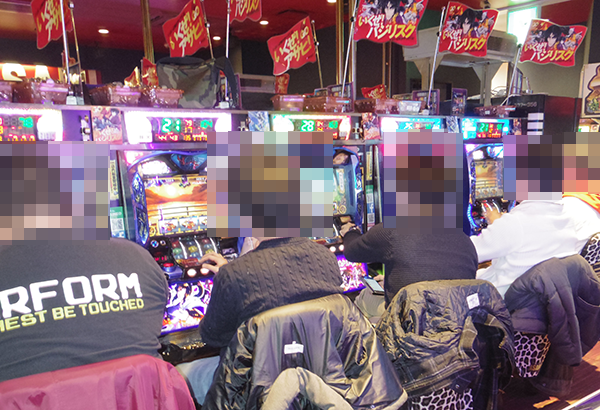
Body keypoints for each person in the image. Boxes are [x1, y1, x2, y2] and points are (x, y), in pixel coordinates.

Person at [175, 236, 345, 405]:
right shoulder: (326, 256)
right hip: (323, 380)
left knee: (176, 375)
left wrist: (227, 279)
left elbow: (211, 336)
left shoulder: (233, 274)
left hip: (252, 391)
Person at [472, 195, 600, 298]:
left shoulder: (515, 222)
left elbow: (469, 252)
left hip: (503, 300)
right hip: (542, 302)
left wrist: (496, 223)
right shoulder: (569, 215)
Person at [340, 223, 479, 308]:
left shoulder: (391, 230)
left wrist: (350, 231)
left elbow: (351, 252)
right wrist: (391, 281)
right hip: (459, 335)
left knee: (363, 298)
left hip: (407, 335)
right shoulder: (464, 239)